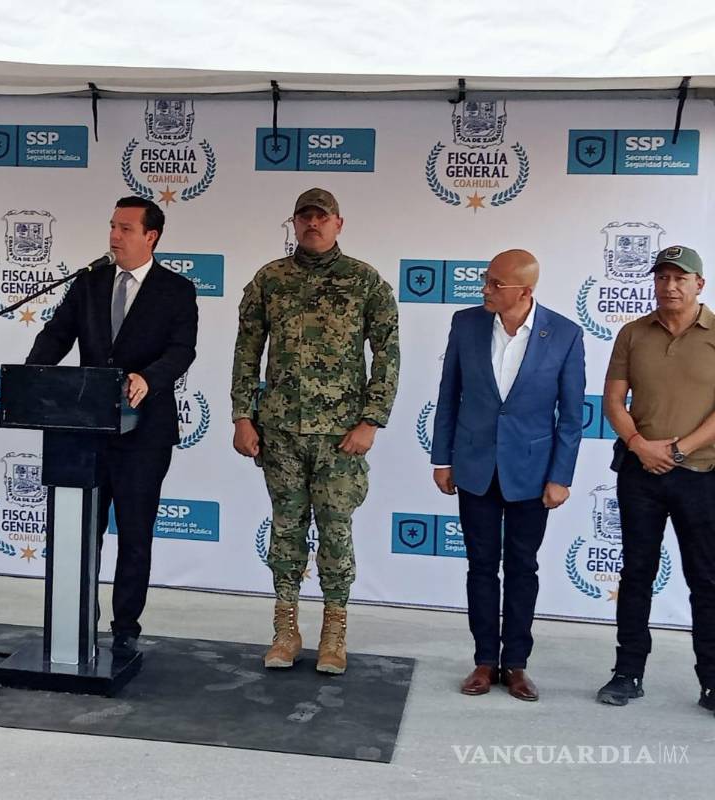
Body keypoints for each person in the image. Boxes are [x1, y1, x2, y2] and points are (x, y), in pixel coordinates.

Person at [231, 187, 399, 674]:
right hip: (280, 431)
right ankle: (285, 630)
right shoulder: (270, 280)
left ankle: (334, 632)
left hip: (341, 436)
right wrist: (242, 415)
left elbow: (387, 354)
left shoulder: (364, 282)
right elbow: (247, 351)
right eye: (304, 217)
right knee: (285, 530)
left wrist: (371, 420)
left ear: (338, 224)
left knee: (335, 532)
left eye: (322, 217)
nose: (313, 224)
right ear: (294, 223)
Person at [26, 196, 198, 656]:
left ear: (150, 236)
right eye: (112, 226)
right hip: (84, 433)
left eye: (125, 228)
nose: (114, 236)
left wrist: (149, 378)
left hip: (144, 432)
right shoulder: (89, 281)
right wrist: (33, 374)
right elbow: (57, 335)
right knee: (84, 531)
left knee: (135, 534)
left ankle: (125, 627)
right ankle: (80, 618)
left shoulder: (176, 290)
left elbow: (182, 350)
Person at [430, 249, 585, 701]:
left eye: (496, 284)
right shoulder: (466, 324)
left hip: (532, 473)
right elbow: (449, 394)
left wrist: (560, 476)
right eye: (486, 280)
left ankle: (516, 664)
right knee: (480, 566)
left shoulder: (565, 334)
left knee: (522, 567)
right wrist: (442, 459)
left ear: (525, 291)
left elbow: (571, 416)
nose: (486, 289)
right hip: (474, 466)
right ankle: (484, 660)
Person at [597, 245, 715, 715]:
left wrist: (680, 450)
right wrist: (639, 445)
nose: (670, 286)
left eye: (680, 278)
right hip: (640, 473)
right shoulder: (632, 333)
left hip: (701, 474)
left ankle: (712, 681)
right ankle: (627, 673)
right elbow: (613, 400)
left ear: (699, 284)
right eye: (663, 277)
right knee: (636, 573)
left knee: (706, 579)